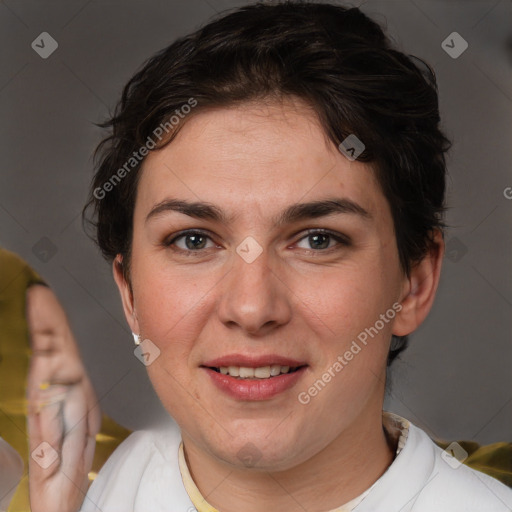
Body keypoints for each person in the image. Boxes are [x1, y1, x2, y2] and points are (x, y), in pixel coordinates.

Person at [79, 1, 512, 511]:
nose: (252, 308)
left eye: (317, 240)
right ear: (129, 292)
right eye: (194, 240)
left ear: (414, 281)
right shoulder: (80, 488)